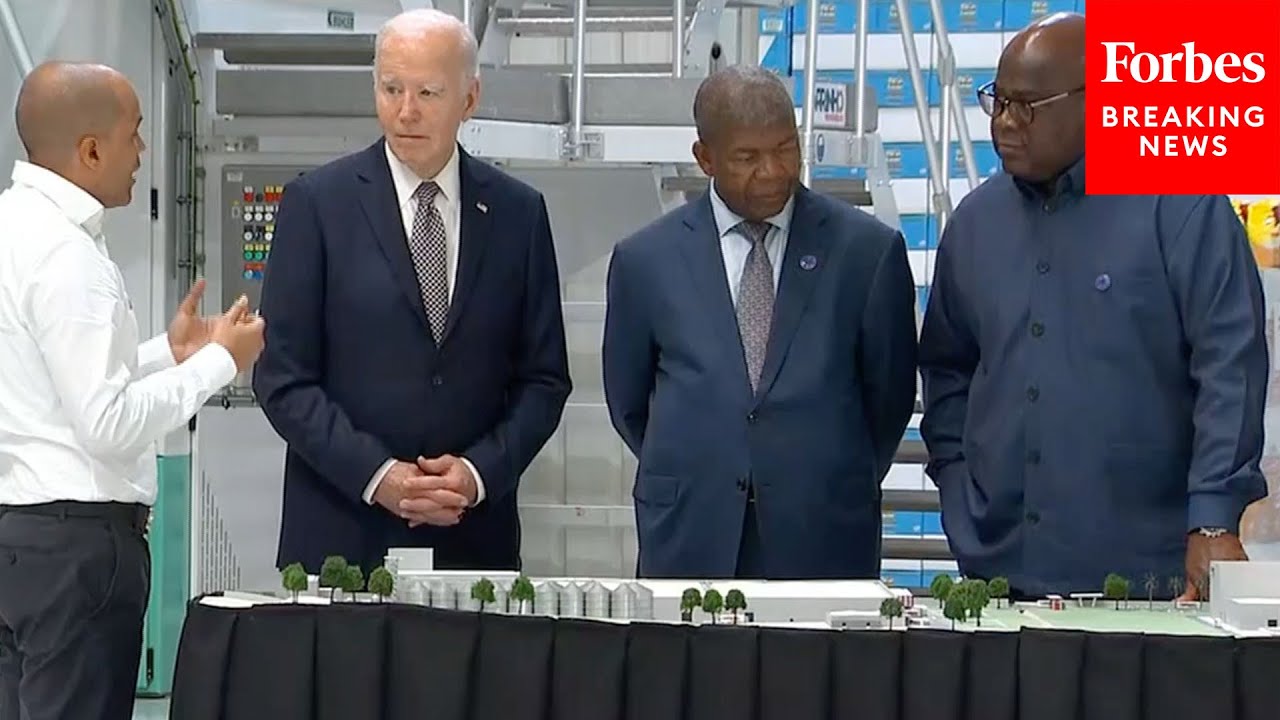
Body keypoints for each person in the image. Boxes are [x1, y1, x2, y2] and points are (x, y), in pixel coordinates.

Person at [919, 12, 1270, 599]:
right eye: (998, 102)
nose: (1006, 123)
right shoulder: (974, 225)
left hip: (1145, 578)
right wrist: (959, 489)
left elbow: (1229, 368)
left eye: (1027, 105)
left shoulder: (1182, 207)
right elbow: (947, 369)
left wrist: (1212, 517)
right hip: (999, 575)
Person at [253, 9, 571, 577]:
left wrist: (477, 475)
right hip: (340, 537)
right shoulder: (316, 205)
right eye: (391, 88)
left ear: (469, 99)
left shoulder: (519, 214)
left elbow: (544, 379)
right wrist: (380, 477)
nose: (405, 111)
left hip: (472, 542)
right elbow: (282, 378)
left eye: (427, 91)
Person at [0, 62, 264, 720]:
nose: (142, 152)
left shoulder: (13, 227)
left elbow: (52, 384)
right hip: (77, 556)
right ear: (90, 150)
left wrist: (167, 353)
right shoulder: (67, 255)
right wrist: (219, 366)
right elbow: (107, 422)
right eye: (135, 134)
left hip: (19, 544)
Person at [602, 64, 919, 580]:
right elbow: (630, 404)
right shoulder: (645, 261)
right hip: (690, 533)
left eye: (785, 148)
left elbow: (888, 401)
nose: (772, 171)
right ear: (705, 158)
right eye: (747, 157)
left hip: (823, 532)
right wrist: (716, 459)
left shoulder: (868, 253)